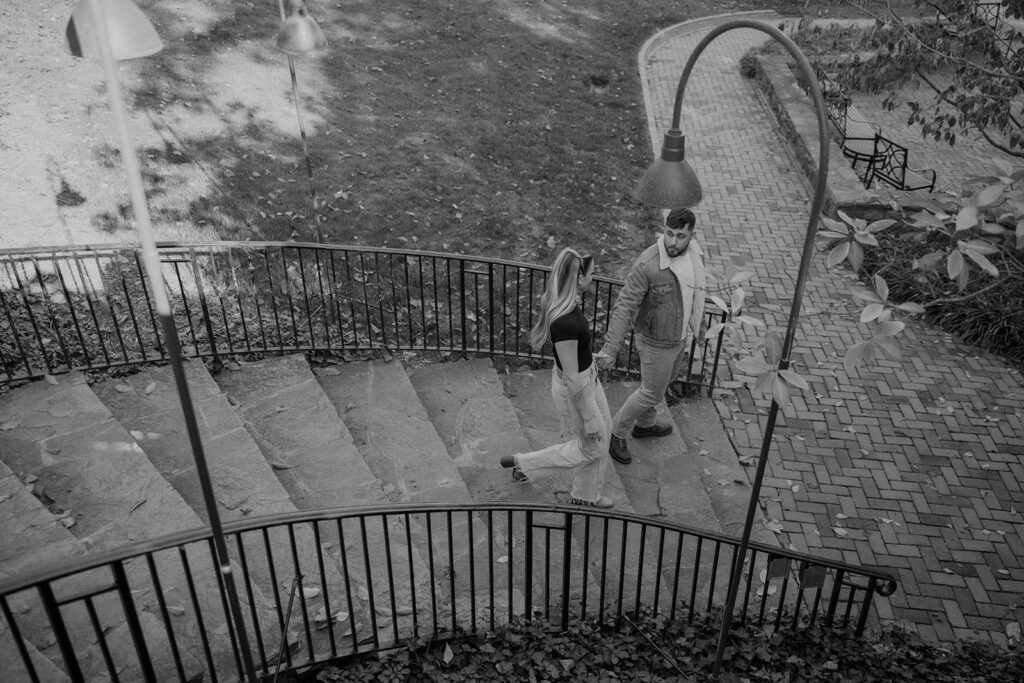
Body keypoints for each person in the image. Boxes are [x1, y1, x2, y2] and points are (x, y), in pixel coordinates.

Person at [500, 248, 614, 508]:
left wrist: (589, 356)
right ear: (578, 278)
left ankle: (586, 497)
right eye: (591, 274)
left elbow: (571, 356)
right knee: (592, 448)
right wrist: (587, 418)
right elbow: (573, 378)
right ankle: (525, 463)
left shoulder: (566, 305)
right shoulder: (565, 322)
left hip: (587, 377)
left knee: (601, 438)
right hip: (577, 388)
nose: (593, 278)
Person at [595, 207, 707, 465]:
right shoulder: (648, 264)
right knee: (650, 393)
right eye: (669, 233)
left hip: (678, 338)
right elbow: (624, 305)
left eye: (680, 235)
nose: (673, 241)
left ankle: (645, 425)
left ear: (691, 234)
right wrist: (611, 349)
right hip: (655, 342)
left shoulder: (696, 254)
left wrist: (697, 328)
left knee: (661, 385)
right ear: (664, 229)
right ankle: (616, 433)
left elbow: (696, 294)